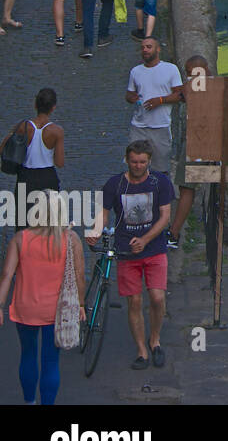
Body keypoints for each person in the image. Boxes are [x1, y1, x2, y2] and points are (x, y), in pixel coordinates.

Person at [87, 141, 173, 369]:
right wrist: (95, 230)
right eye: (134, 161)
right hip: (126, 251)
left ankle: (155, 339)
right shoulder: (114, 184)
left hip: (154, 248)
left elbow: (164, 217)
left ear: (149, 161)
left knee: (157, 297)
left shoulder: (160, 182)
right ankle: (141, 351)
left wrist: (145, 240)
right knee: (134, 301)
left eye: (142, 162)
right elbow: (104, 214)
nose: (138, 166)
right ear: (127, 160)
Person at [0, 193, 85, 404]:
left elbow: (7, 275)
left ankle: (29, 401)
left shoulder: (21, 239)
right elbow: (79, 276)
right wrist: (81, 304)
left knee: (27, 355)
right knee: (51, 362)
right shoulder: (71, 240)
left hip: (25, 308)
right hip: (55, 311)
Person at [167, 55, 211, 249]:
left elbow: (180, 92)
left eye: (189, 72)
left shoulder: (192, 87)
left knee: (186, 189)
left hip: (196, 143)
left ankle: (174, 233)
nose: (187, 76)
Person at [125, 37, 184, 169]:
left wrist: (161, 100)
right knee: (136, 167)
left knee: (160, 169)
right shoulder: (135, 71)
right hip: (138, 127)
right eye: (143, 47)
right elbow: (129, 94)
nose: (145, 50)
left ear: (158, 49)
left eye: (149, 47)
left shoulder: (171, 69)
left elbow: (179, 95)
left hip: (160, 127)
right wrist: (131, 98)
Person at [11, 88, 65, 196]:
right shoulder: (57, 131)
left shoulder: (23, 127)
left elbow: (4, 150)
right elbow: (59, 163)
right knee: (49, 212)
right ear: (53, 108)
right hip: (47, 178)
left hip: (26, 177)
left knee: (23, 213)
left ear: (35, 105)